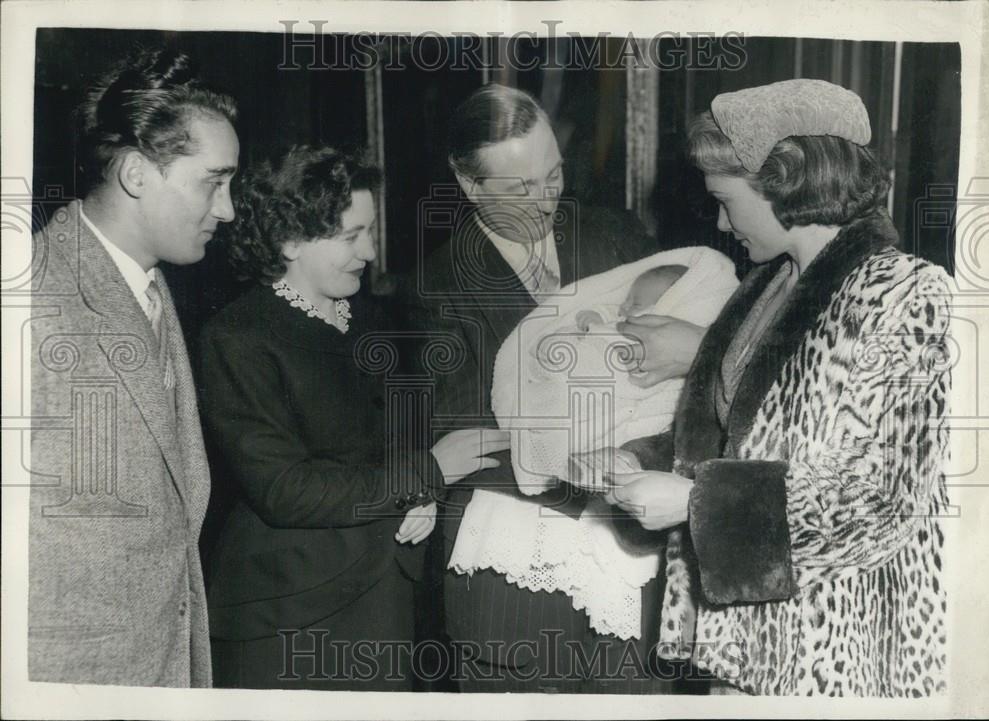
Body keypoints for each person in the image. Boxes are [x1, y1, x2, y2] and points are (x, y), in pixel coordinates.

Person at [608, 79, 951, 696]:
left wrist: (693, 503)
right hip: (744, 644)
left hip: (836, 652)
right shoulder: (767, 285)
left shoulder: (907, 294)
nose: (719, 220)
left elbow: (883, 499)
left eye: (725, 200)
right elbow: (742, 440)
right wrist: (638, 459)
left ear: (786, 181)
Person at [198, 146, 507, 690]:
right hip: (291, 613)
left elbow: (397, 439)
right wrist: (426, 474)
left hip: (387, 591)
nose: (368, 251)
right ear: (288, 240)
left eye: (370, 231)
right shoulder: (238, 338)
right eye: (350, 236)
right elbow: (285, 489)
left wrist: (423, 496)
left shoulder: (371, 317)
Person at [409, 83, 670, 693]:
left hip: (631, 566)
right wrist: (584, 453)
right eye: (522, 188)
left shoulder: (619, 237)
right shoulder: (435, 288)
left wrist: (640, 455)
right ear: (471, 186)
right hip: (517, 590)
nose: (547, 199)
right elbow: (463, 437)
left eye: (553, 175)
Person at [28, 47, 239, 687]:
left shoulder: (150, 286)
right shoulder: (32, 295)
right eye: (213, 180)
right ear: (139, 173)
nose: (228, 210)